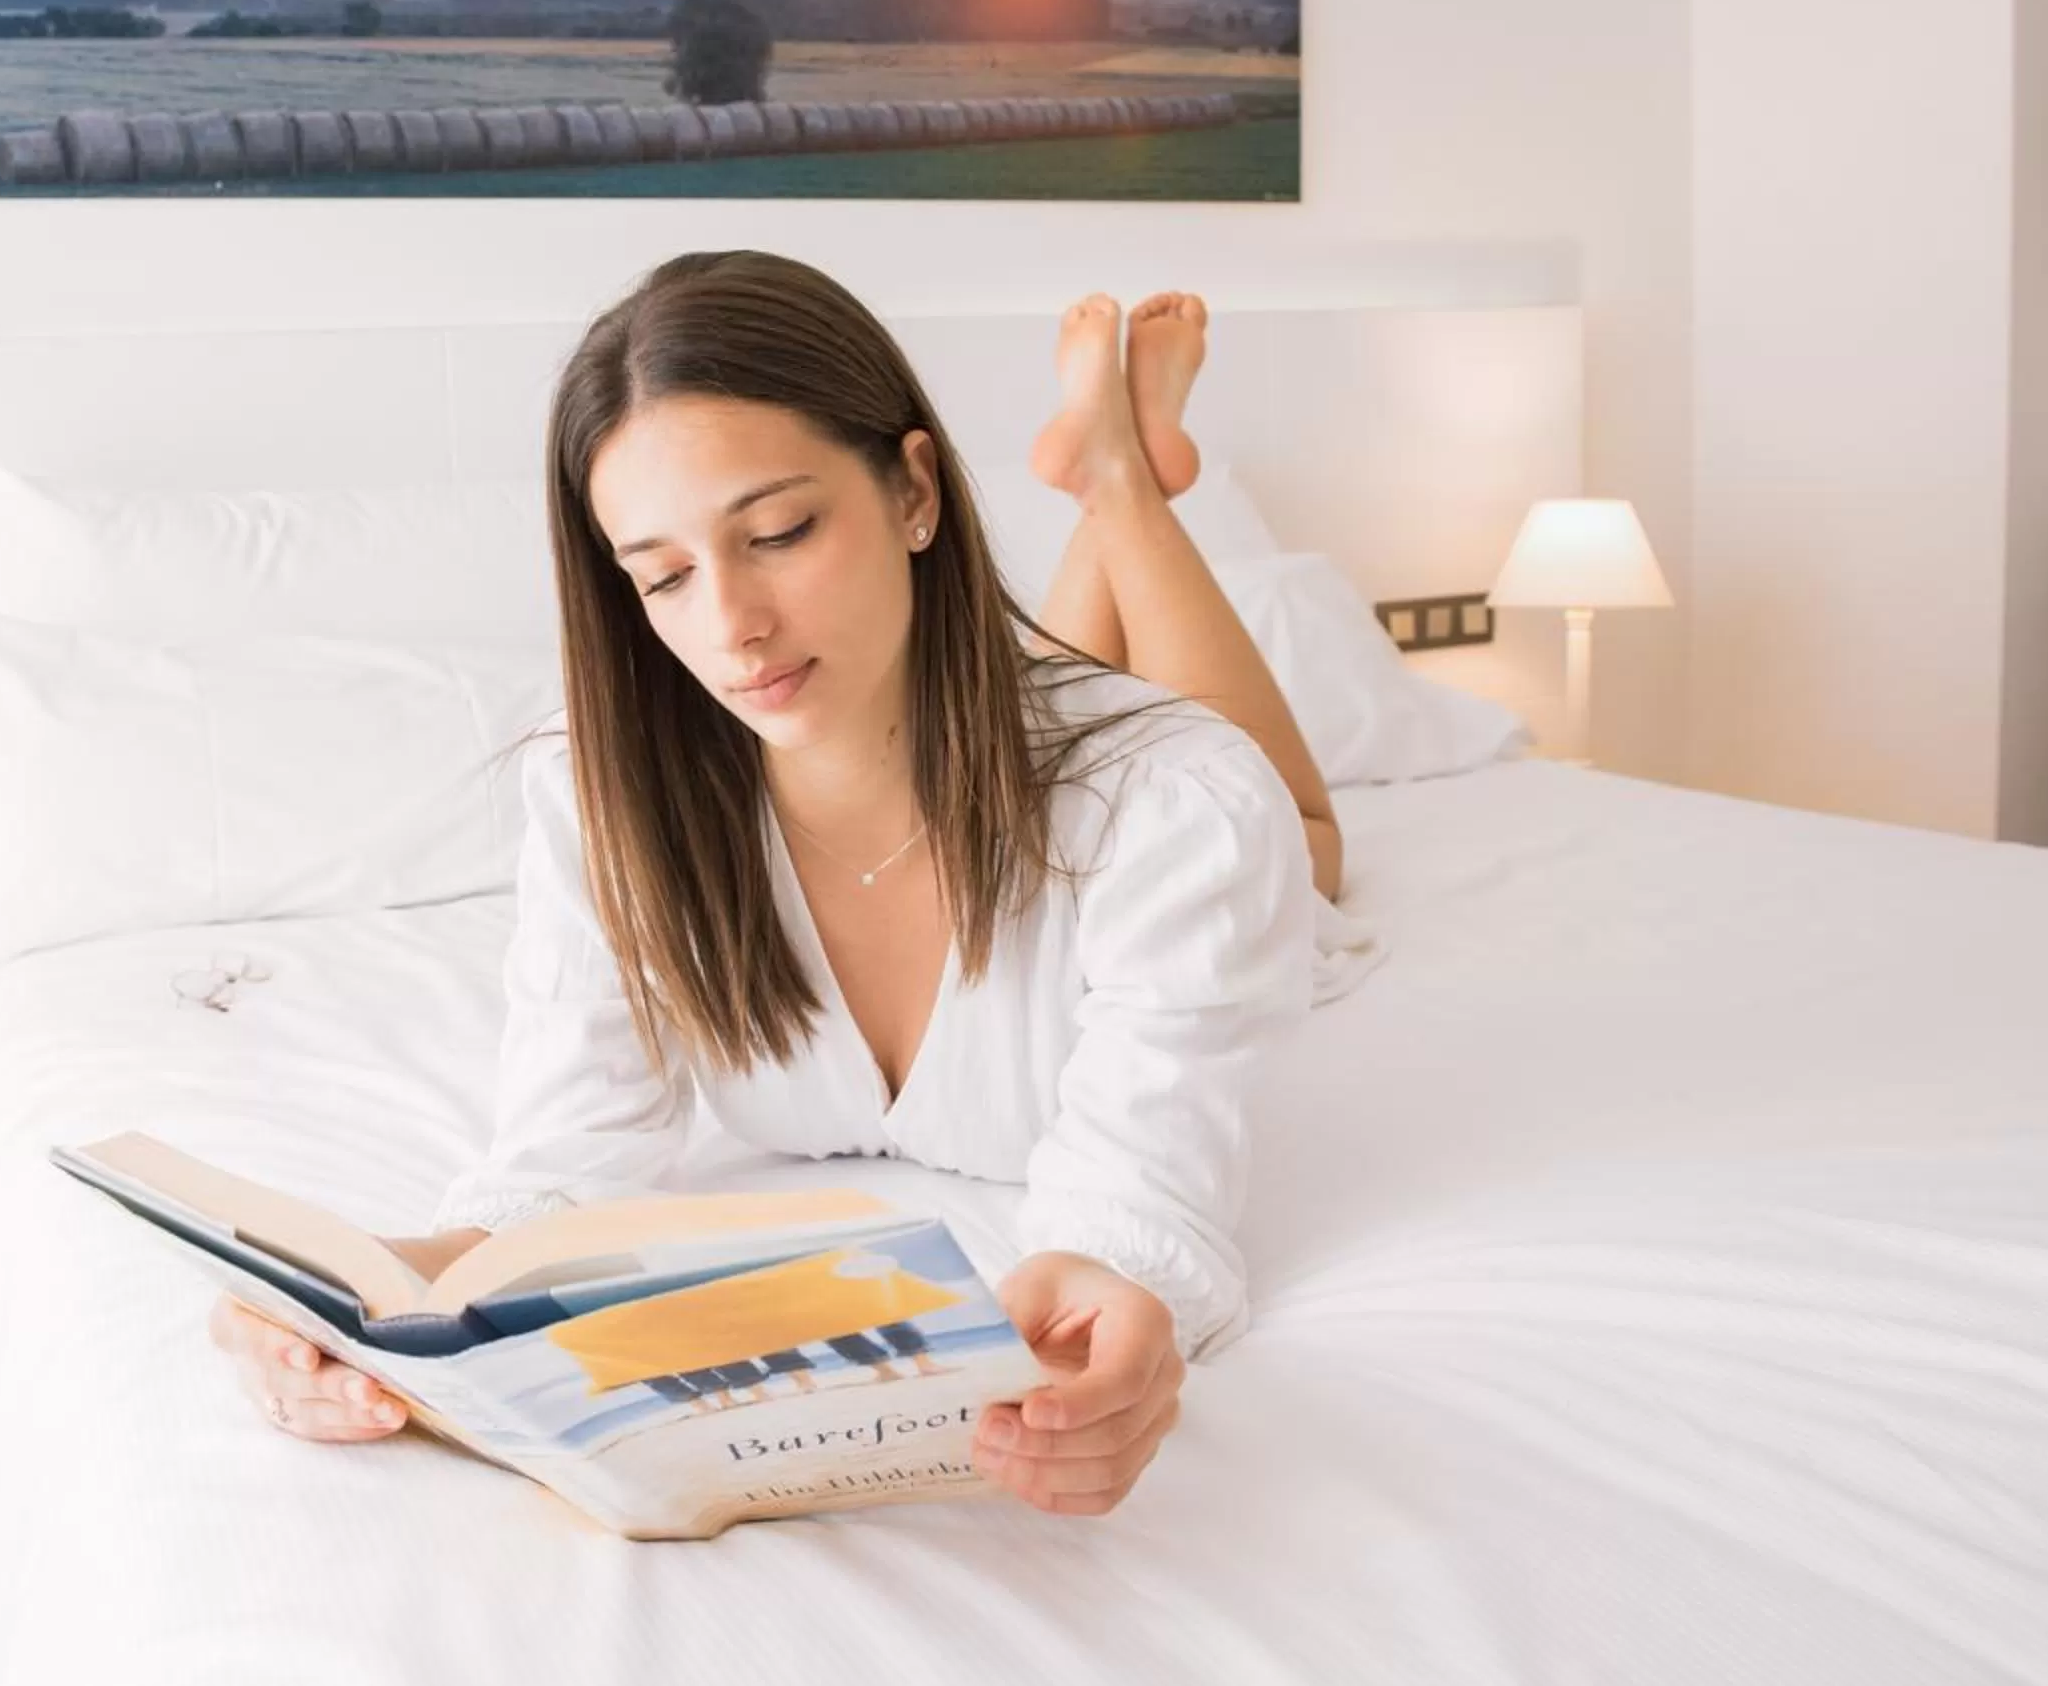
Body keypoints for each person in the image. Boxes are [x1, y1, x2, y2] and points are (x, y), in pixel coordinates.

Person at [211, 252, 1353, 1518]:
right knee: (1041, 686)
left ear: (915, 487)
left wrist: (1116, 1300)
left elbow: (1139, 1204)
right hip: (995, 715)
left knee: (1292, 826)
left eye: (778, 532)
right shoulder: (608, 803)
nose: (733, 624)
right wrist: (362, 1300)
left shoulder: (1180, 805)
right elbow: (564, 1159)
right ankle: (1108, 467)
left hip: (1210, 815)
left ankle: (1125, 479)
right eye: (664, 575)